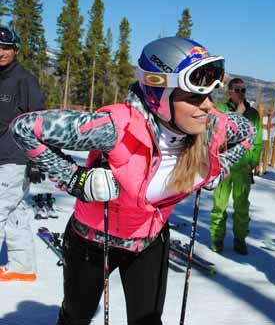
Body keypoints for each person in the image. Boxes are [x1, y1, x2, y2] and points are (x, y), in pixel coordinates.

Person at [11, 37, 255, 325]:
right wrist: (75, 179)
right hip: (93, 242)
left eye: (210, 95)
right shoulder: (116, 127)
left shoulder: (212, 125)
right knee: (75, 319)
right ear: (158, 95)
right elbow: (24, 128)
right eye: (193, 97)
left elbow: (247, 132)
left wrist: (218, 168)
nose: (207, 106)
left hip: (149, 242)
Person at [0, 26, 45, 282]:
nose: (1, 52)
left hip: (15, 157)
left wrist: (37, 159)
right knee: (14, 212)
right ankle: (22, 267)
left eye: (6, 47)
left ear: (15, 50)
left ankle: (22, 266)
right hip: (2, 156)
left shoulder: (24, 80)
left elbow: (38, 119)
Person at [209, 78, 262, 255]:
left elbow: (258, 141)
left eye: (243, 90)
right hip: (224, 165)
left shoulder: (253, 114)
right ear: (229, 92)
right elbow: (218, 134)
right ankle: (217, 238)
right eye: (237, 90)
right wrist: (238, 115)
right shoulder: (221, 110)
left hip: (242, 168)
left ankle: (240, 239)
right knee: (219, 205)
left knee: (241, 206)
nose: (241, 94)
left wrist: (252, 162)